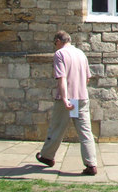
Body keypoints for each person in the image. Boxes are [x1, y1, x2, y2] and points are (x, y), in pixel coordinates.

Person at [36, 31, 97, 176]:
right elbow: (87, 78)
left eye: (54, 43)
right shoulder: (81, 54)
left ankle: (47, 156)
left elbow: (61, 78)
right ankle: (91, 164)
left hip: (68, 99)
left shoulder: (60, 54)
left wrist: (65, 98)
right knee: (85, 132)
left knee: (56, 128)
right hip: (81, 97)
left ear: (58, 41)